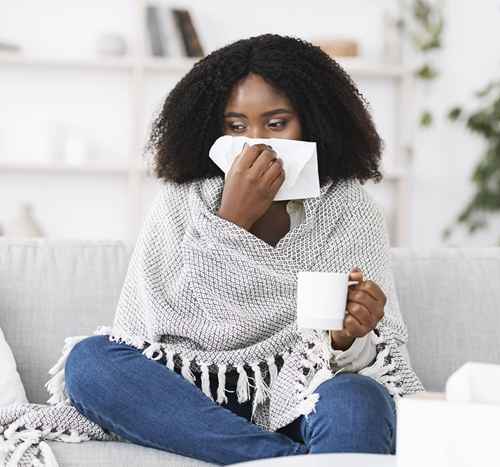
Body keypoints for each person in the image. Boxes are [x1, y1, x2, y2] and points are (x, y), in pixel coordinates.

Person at [63, 33, 423, 465]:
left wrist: (347, 338)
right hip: (191, 396)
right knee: (90, 363)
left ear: (312, 122)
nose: (256, 144)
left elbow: (370, 360)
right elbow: (147, 330)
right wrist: (230, 222)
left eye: (276, 123)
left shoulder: (348, 207)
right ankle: (282, 459)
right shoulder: (185, 199)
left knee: (359, 397)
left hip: (301, 392)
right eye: (236, 126)